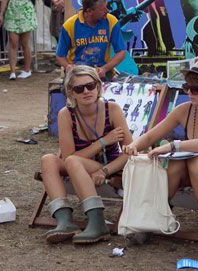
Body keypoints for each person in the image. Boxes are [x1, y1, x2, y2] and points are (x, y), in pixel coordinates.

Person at [122, 56, 198, 255]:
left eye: (194, 89)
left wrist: (174, 146)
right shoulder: (184, 110)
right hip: (193, 175)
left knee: (195, 160)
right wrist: (133, 146)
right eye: (186, 87)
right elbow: (152, 135)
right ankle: (153, 221)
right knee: (175, 164)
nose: (188, 92)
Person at [39, 66, 132, 244]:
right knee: (48, 160)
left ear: (98, 86)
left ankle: (97, 223)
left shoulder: (112, 109)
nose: (86, 91)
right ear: (70, 93)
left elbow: (130, 152)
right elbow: (68, 158)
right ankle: (65, 222)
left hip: (108, 167)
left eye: (90, 85)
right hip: (77, 165)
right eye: (79, 88)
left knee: (73, 161)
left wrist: (104, 171)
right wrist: (103, 141)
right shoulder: (66, 114)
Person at [55, 0, 126, 79]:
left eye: (106, 7)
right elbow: (60, 55)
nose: (107, 11)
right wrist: (68, 67)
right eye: (102, 9)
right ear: (89, 11)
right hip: (78, 73)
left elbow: (121, 52)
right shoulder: (69, 25)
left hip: (103, 72)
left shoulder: (111, 21)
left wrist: (104, 68)